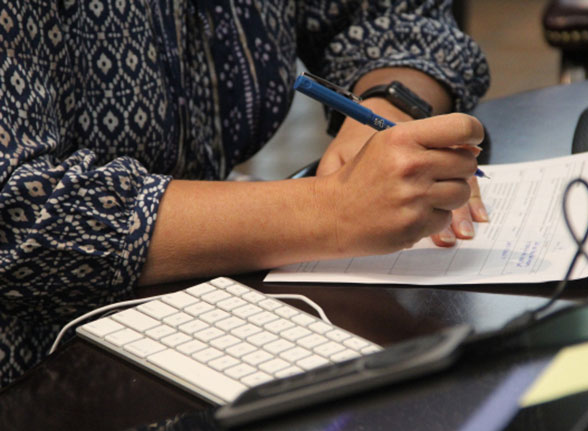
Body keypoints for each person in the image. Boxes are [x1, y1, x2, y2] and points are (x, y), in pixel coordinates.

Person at [0, 0, 490, 387]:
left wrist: (391, 113)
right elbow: (17, 212)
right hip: (40, 371)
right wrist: (331, 208)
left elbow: (394, 16)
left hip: (203, 313)